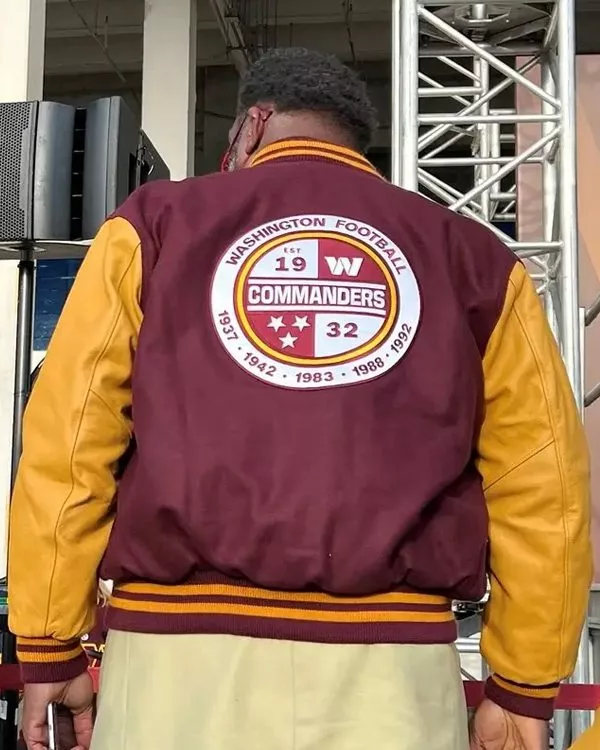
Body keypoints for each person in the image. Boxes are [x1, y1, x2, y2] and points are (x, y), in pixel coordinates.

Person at [9, 47, 591, 750]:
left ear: (252, 125)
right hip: (394, 669)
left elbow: (70, 442)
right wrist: (524, 683)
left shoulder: (153, 224)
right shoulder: (474, 256)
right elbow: (541, 484)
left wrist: (49, 643)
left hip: (175, 662)